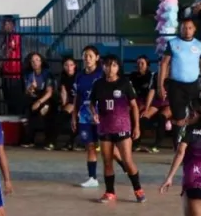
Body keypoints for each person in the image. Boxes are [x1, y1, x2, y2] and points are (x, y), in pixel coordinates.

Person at [89, 54, 144, 204]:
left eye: (113, 65)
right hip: (104, 129)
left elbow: (134, 106)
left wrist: (136, 127)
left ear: (118, 67)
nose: (110, 69)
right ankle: (110, 192)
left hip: (122, 128)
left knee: (127, 161)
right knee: (107, 162)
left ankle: (138, 189)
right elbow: (92, 103)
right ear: (103, 67)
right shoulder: (98, 84)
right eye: (107, 65)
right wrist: (94, 114)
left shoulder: (125, 83)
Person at [157, 18, 201, 134]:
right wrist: (160, 86)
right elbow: (164, 64)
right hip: (176, 86)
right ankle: (177, 144)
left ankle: (191, 142)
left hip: (193, 86)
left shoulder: (198, 45)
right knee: (178, 115)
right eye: (184, 28)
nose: (187, 30)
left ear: (194, 29)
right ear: (180, 29)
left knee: (195, 114)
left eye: (190, 28)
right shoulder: (172, 43)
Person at [71, 45, 106, 188]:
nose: (87, 58)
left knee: (107, 147)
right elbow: (76, 97)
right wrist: (74, 116)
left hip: (101, 115)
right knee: (90, 146)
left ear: (97, 58)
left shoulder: (102, 74)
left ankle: (126, 167)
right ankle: (92, 178)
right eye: (85, 55)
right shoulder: (79, 76)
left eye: (90, 56)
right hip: (85, 116)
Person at [20, 52, 56, 148]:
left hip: (46, 98)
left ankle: (49, 140)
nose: (35, 63)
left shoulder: (47, 73)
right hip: (33, 97)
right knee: (26, 110)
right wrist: (31, 87)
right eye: (32, 61)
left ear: (41, 61)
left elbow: (49, 92)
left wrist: (39, 102)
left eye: (37, 60)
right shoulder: (29, 74)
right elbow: (27, 92)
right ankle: (29, 139)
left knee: (43, 111)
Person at [56, 56, 77, 150]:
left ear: (75, 66)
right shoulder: (62, 78)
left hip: (80, 102)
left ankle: (72, 142)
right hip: (69, 103)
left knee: (74, 117)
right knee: (61, 115)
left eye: (71, 65)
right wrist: (64, 105)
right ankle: (52, 141)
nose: (69, 67)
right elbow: (63, 92)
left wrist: (74, 105)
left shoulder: (79, 76)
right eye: (66, 65)